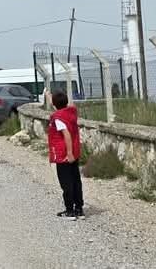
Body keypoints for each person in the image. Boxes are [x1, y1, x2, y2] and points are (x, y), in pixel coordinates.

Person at [49, 91, 84, 220]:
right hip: (74, 152)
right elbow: (61, 108)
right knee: (76, 180)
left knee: (66, 183)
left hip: (64, 154)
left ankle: (69, 210)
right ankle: (79, 209)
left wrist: (68, 153)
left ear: (54, 103)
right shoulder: (71, 112)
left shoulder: (58, 118)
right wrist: (50, 98)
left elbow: (66, 134)